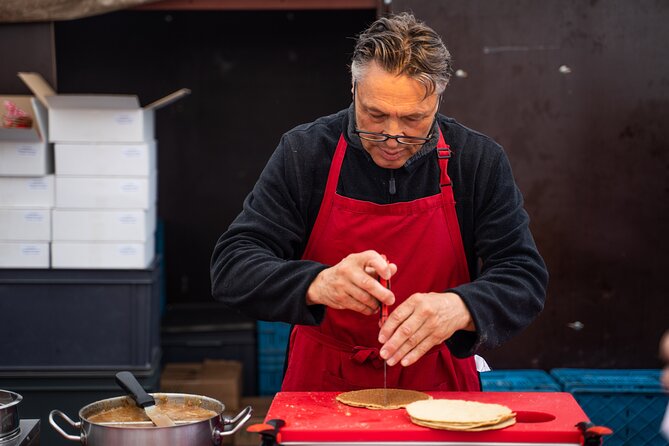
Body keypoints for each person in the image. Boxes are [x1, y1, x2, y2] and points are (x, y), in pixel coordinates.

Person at [211, 12, 548, 392]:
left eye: (413, 119)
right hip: (323, 381)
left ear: (438, 99)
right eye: (375, 114)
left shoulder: (476, 160)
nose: (392, 136)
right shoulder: (305, 154)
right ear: (353, 89)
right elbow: (233, 267)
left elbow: (523, 276)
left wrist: (461, 308)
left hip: (437, 385)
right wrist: (317, 283)